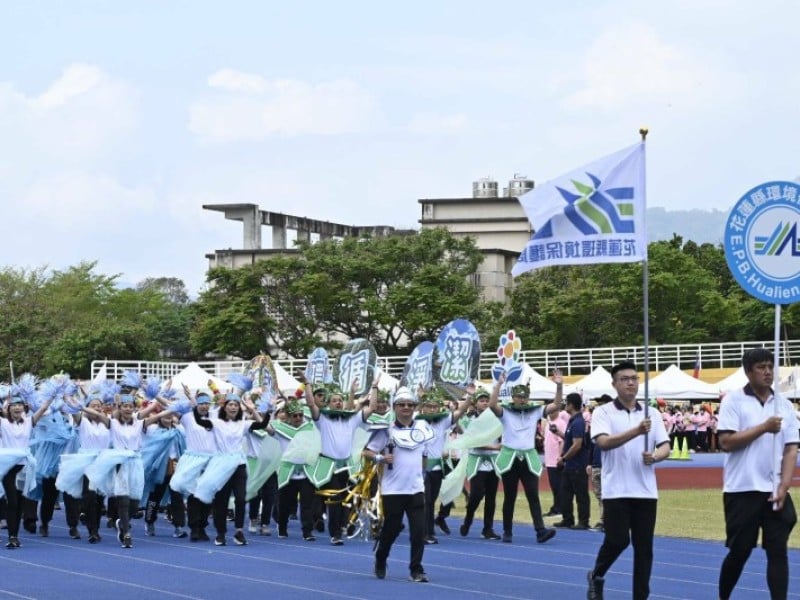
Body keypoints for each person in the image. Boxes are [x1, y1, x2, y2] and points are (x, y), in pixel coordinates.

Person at [717, 349, 798, 600]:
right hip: (742, 488)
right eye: (761, 367)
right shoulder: (733, 401)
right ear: (748, 371)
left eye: (770, 367)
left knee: (778, 551)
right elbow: (727, 442)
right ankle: (724, 596)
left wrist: (784, 484)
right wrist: (763, 427)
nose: (768, 372)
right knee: (740, 550)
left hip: (774, 489)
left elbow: (791, 447)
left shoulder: (784, 405)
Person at [587, 361, 671, 600]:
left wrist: (655, 456)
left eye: (634, 378)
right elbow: (603, 442)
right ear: (614, 384)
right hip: (616, 490)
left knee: (644, 550)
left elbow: (665, 445)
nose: (631, 382)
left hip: (645, 490)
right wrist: (636, 431)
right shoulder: (603, 412)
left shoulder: (651, 413)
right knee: (617, 540)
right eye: (624, 379)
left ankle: (641, 596)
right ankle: (597, 574)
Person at [364, 386, 434, 583]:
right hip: (393, 489)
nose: (406, 407)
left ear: (415, 407)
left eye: (410, 404)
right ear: (394, 407)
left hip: (416, 488)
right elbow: (367, 452)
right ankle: (381, 556)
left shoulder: (422, 428)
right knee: (392, 528)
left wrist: (423, 475)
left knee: (419, 531)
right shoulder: (386, 430)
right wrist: (380, 457)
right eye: (402, 404)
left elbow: (425, 456)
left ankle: (416, 569)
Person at [488, 372, 561, 544]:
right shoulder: (505, 411)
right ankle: (507, 531)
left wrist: (558, 386)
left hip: (528, 457)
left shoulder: (535, 411)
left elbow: (556, 405)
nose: (522, 400)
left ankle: (540, 530)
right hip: (510, 457)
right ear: (513, 397)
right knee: (510, 496)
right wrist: (498, 385)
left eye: (524, 397)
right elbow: (492, 405)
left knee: (533, 495)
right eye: (519, 397)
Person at [553, 392, 590, 530]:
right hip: (571, 465)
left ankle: (583, 521)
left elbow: (577, 444)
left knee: (580, 494)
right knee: (565, 493)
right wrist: (559, 433)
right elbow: (571, 440)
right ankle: (567, 519)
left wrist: (563, 458)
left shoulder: (578, 422)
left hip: (577, 465)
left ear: (571, 404)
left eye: (566, 403)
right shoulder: (573, 421)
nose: (565, 405)